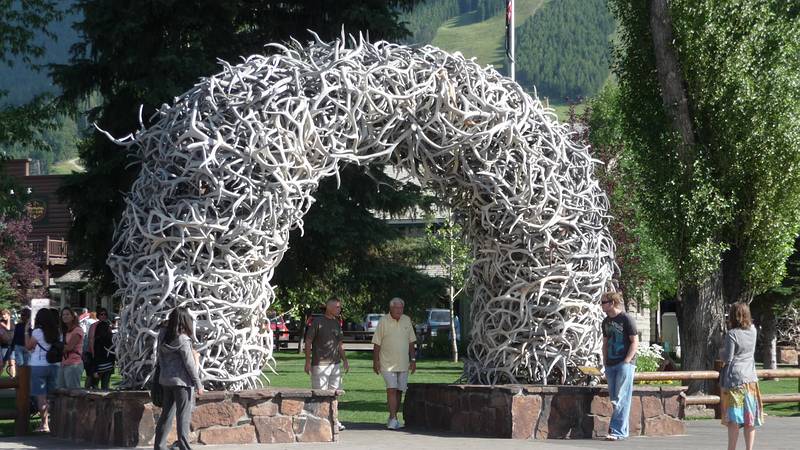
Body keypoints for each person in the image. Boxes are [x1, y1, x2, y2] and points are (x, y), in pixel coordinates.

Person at [154, 307, 203, 450]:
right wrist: (198, 383)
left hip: (166, 381)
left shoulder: (163, 336)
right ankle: (184, 447)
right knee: (183, 417)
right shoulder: (183, 339)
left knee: (166, 416)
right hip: (182, 383)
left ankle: (160, 446)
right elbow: (190, 364)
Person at [720, 302, 763, 450]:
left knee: (734, 419)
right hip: (750, 378)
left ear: (733, 316)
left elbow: (728, 358)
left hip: (735, 380)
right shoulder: (753, 330)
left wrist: (721, 351)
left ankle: (731, 448)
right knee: (749, 418)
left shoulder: (732, 334)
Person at [371, 297, 417, 430]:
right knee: (391, 389)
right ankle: (393, 418)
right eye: (396, 308)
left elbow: (411, 342)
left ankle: (393, 417)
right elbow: (377, 343)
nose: (399, 310)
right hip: (386, 362)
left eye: (401, 308)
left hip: (403, 363)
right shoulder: (383, 321)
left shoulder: (406, 320)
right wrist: (375, 361)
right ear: (391, 308)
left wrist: (413, 360)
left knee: (399, 391)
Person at [304, 298, 348, 430]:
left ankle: (334, 420)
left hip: (335, 364)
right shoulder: (318, 322)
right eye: (337, 307)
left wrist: (345, 360)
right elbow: (308, 341)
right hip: (320, 364)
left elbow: (339, 344)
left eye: (339, 307)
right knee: (320, 395)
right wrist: (307, 362)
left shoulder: (336, 323)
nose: (339, 309)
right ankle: (319, 422)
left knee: (334, 394)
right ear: (329, 307)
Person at [600, 291, 638, 441]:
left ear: (612, 303)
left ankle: (618, 432)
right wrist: (604, 360)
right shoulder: (606, 322)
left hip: (624, 363)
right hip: (610, 363)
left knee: (621, 398)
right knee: (615, 398)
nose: (601, 305)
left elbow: (634, 341)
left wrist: (627, 361)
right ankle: (621, 431)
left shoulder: (626, 319)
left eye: (603, 302)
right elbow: (605, 342)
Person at [25, 308, 61, 433]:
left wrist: (26, 332)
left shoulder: (37, 332)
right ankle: (55, 422)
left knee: (41, 396)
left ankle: (45, 424)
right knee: (52, 395)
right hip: (54, 365)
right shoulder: (57, 332)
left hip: (39, 365)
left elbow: (29, 347)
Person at [57, 307, 84, 389]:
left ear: (73, 317)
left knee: (73, 391)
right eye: (63, 315)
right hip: (63, 363)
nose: (65, 316)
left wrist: (56, 346)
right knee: (61, 390)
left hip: (73, 364)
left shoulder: (77, 330)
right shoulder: (63, 331)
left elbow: (69, 347)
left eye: (67, 314)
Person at [91, 320, 115, 390]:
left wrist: (95, 369)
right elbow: (112, 354)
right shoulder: (111, 339)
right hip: (109, 366)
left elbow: (96, 355)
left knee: (95, 386)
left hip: (100, 367)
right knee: (105, 386)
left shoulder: (98, 340)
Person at [0, 309, 15, 377]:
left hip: (12, 345)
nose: (3, 316)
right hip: (4, 345)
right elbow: (8, 328)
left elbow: (11, 329)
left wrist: (9, 319)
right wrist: (8, 319)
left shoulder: (12, 322)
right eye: (2, 315)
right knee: (3, 363)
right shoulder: (1, 322)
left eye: (5, 314)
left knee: (12, 362)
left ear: (8, 315)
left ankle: (13, 378)